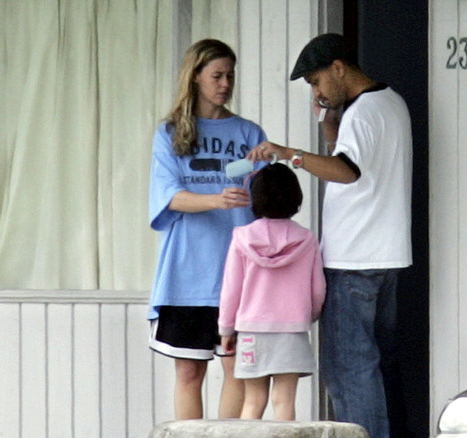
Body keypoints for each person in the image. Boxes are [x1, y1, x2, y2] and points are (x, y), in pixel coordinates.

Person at [248, 33, 412, 438]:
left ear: (339, 68)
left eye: (317, 82)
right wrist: (326, 117)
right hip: (386, 256)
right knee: (379, 364)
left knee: (350, 369)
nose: (317, 91)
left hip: (353, 260)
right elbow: (344, 151)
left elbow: (347, 169)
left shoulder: (364, 111)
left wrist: (291, 155)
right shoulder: (390, 103)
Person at [147, 38, 267, 420]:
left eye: (230, 75)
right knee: (188, 370)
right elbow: (168, 198)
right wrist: (218, 199)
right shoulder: (169, 134)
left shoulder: (249, 133)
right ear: (195, 77)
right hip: (186, 272)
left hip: (239, 272)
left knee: (237, 371)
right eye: (217, 75)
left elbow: (268, 201)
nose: (225, 83)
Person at [218, 163, 326, 421]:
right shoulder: (307, 239)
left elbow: (231, 287)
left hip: (252, 332)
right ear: (296, 198)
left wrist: (226, 329)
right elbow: (318, 288)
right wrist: (307, 315)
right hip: (292, 331)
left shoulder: (242, 237)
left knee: (253, 402)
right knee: (284, 400)